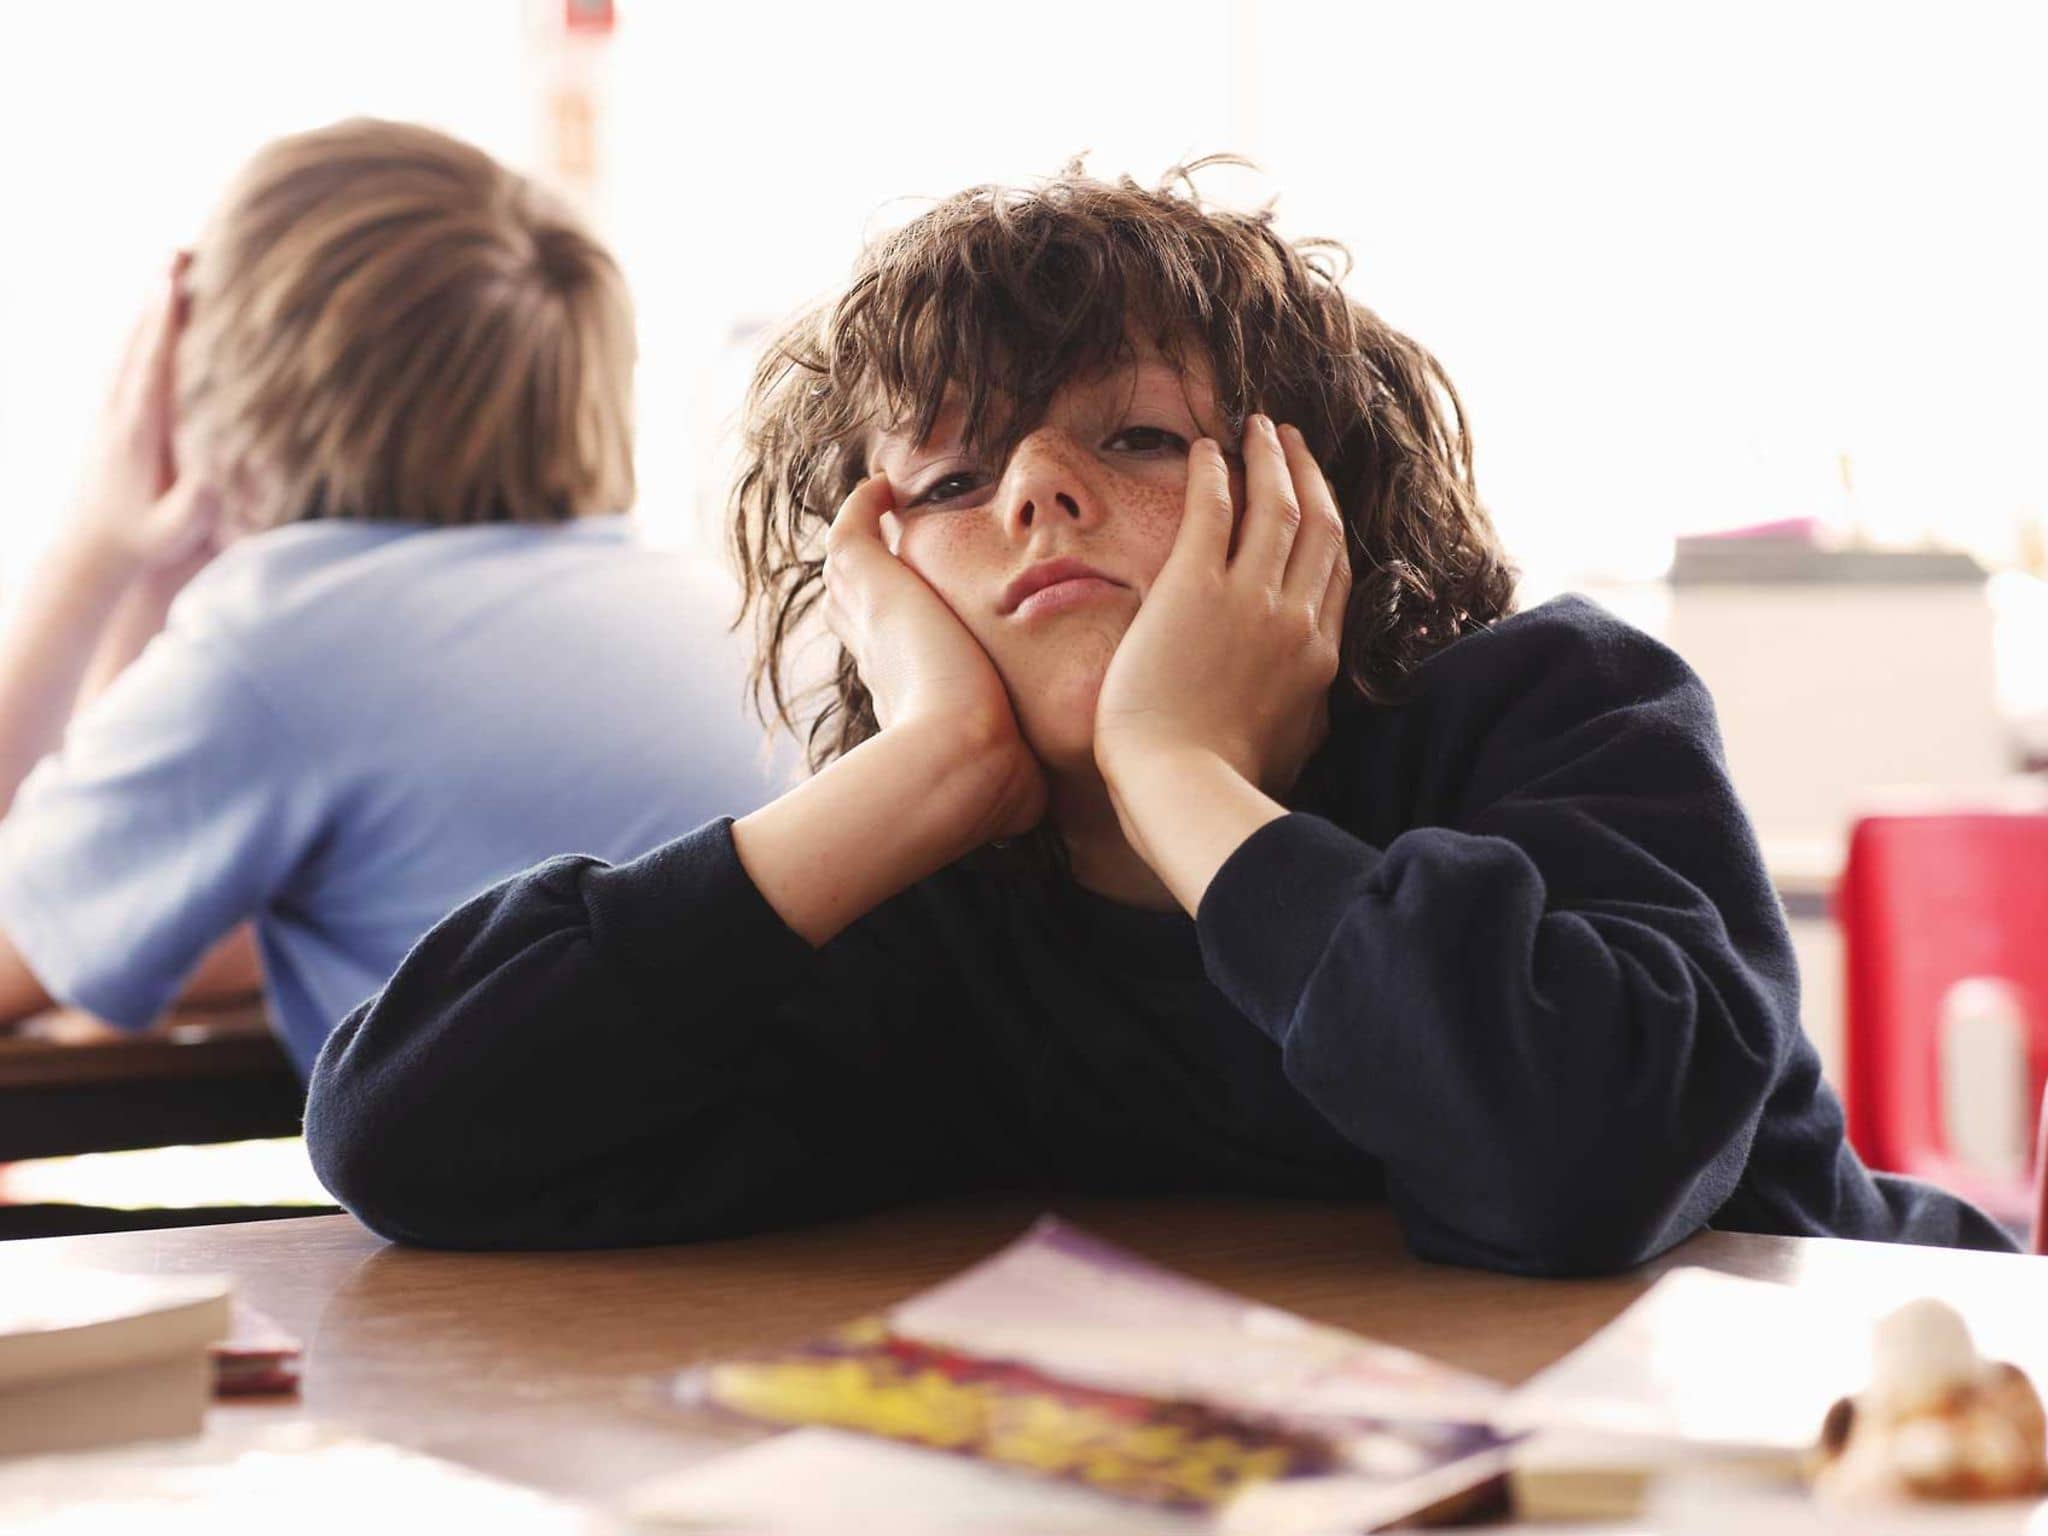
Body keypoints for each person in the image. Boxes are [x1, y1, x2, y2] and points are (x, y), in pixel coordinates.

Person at [304, 163, 2014, 1271]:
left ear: (1309, 502)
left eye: (1129, 437)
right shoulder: (933, 906)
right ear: (879, 583)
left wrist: (1178, 773)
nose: (1035, 493)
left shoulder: (1552, 714)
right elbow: (407, 1137)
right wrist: (920, 771)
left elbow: (1581, 1170)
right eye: (950, 481)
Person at [0, 119, 776, 1076]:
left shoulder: (289, 639)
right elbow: (139, 929)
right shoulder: (689, 596)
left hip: (590, 1172)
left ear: (199, 371)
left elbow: (24, 946)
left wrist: (93, 547)